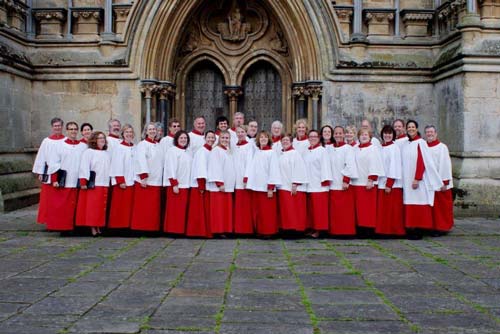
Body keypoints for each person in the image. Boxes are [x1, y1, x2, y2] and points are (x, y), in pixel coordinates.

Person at [401, 120, 443, 239]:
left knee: (418, 203)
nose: (411, 129)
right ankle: (410, 228)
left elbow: (422, 161)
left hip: (417, 179)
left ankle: (419, 230)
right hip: (407, 179)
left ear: (416, 128)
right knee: (409, 203)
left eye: (413, 127)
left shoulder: (421, 143)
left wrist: (417, 178)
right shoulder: (405, 144)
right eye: (409, 127)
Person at [46, 121, 87, 232]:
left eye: (75, 129)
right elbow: (54, 163)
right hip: (65, 180)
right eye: (71, 129)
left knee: (78, 206)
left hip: (78, 180)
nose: (73, 131)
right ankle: (64, 227)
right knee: (64, 206)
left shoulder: (83, 146)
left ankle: (77, 228)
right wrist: (54, 179)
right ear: (67, 130)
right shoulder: (60, 145)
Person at [244, 131, 281, 237]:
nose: (263, 139)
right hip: (256, 186)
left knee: (267, 211)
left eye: (265, 137)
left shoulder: (271, 152)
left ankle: (269, 231)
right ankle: (260, 231)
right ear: (258, 140)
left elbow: (273, 170)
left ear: (269, 139)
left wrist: (271, 187)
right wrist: (248, 180)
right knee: (259, 211)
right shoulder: (257, 152)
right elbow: (252, 168)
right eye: (261, 138)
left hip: (266, 187)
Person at [75, 131, 111, 236]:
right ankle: (93, 227)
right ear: (94, 140)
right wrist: (83, 181)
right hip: (94, 183)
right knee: (93, 207)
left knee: (101, 207)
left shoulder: (107, 153)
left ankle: (99, 226)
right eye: (100, 138)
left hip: (104, 182)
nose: (102, 140)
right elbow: (84, 166)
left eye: (103, 138)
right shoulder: (89, 152)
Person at [130, 123, 163, 232]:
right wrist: (143, 176)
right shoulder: (142, 145)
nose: (153, 131)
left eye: (154, 129)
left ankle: (152, 228)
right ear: (146, 131)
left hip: (156, 179)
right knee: (144, 207)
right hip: (145, 180)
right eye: (150, 129)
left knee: (153, 208)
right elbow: (140, 160)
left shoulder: (158, 145)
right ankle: (141, 228)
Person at [351, 128, 385, 236]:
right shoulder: (355, 148)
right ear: (358, 137)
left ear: (370, 137)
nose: (364, 136)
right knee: (359, 209)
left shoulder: (373, 149)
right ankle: (360, 229)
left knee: (368, 209)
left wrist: (371, 179)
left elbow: (375, 163)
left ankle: (368, 230)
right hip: (357, 182)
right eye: (361, 135)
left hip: (368, 182)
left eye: (366, 135)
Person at [32, 117, 66, 225]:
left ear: (62, 127)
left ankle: (59, 220)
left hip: (61, 174)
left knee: (60, 199)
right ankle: (49, 221)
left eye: (59, 126)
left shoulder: (66, 141)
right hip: (49, 174)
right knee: (49, 200)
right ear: (52, 127)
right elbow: (41, 157)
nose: (57, 128)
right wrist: (40, 172)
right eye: (55, 126)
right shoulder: (46, 141)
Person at [327, 126, 358, 236]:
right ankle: (334, 231)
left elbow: (350, 164)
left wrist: (346, 180)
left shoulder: (348, 148)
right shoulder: (329, 148)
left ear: (344, 135)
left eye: (340, 133)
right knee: (335, 210)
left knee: (344, 210)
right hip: (332, 183)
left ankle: (346, 231)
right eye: (336, 133)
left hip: (343, 183)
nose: (338, 135)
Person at [375, 125, 405, 236]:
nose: (387, 135)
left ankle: (394, 231)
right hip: (381, 182)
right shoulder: (381, 147)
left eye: (389, 133)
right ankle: (383, 230)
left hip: (391, 184)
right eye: (385, 133)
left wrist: (389, 183)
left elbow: (394, 166)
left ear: (393, 135)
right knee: (384, 209)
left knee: (392, 209)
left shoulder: (394, 148)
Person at [425, 125, 454, 234]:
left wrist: (444, 181)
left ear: (436, 133)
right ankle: (432, 227)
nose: (430, 134)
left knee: (441, 207)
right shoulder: (424, 147)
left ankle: (442, 227)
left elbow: (445, 164)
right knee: (432, 207)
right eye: (427, 132)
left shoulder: (442, 147)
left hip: (440, 181)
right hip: (429, 182)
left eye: (431, 132)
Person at [186, 131, 215, 238]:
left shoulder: (211, 150)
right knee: (199, 211)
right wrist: (201, 185)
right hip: (200, 185)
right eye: (209, 137)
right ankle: (198, 232)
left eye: (213, 138)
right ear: (205, 138)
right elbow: (201, 168)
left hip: (207, 185)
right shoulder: (202, 152)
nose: (211, 139)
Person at [277, 134, 308, 233]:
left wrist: (295, 183)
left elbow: (299, 168)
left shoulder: (295, 153)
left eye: (287, 140)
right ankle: (285, 229)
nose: (285, 142)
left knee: (293, 210)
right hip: (282, 185)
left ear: (291, 142)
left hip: (291, 186)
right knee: (285, 210)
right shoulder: (280, 154)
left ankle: (294, 230)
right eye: (283, 140)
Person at [304, 130, 332, 238]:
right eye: (310, 137)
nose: (312, 138)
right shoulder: (307, 151)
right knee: (311, 209)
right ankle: (311, 228)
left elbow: (325, 166)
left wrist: (325, 181)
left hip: (319, 184)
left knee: (319, 209)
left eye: (315, 136)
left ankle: (319, 229)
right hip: (309, 184)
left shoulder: (322, 151)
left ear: (319, 138)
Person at [208, 130, 236, 236]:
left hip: (228, 185)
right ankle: (218, 230)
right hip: (220, 186)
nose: (225, 140)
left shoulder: (228, 150)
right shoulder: (216, 151)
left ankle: (226, 229)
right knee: (218, 210)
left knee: (226, 209)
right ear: (219, 139)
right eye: (223, 138)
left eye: (227, 138)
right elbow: (215, 167)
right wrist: (219, 183)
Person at [164, 131, 192, 234]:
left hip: (186, 184)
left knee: (182, 210)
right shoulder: (172, 151)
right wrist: (174, 183)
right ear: (176, 139)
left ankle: (181, 230)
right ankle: (173, 230)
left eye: (185, 138)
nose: (183, 140)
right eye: (181, 138)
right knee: (175, 210)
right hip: (176, 185)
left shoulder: (188, 152)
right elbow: (170, 167)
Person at [108, 124, 136, 229]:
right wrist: (120, 180)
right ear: (123, 134)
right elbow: (116, 164)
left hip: (132, 180)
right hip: (122, 181)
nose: (129, 134)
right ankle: (117, 227)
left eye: (130, 132)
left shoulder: (135, 147)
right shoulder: (119, 147)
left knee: (129, 206)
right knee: (119, 206)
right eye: (126, 132)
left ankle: (128, 226)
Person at [233, 126, 255, 234]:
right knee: (237, 206)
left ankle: (246, 229)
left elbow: (250, 163)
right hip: (235, 180)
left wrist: (246, 178)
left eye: (242, 132)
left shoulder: (249, 146)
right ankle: (238, 229)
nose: (240, 134)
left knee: (245, 206)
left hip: (244, 180)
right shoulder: (234, 146)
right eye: (238, 132)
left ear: (246, 133)